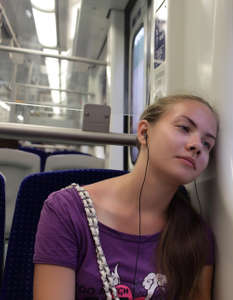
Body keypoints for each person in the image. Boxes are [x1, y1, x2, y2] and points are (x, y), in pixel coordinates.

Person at [33, 95, 218, 300]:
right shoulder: (67, 211)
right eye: (184, 128)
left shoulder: (195, 234)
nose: (197, 146)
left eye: (207, 144)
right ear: (144, 132)